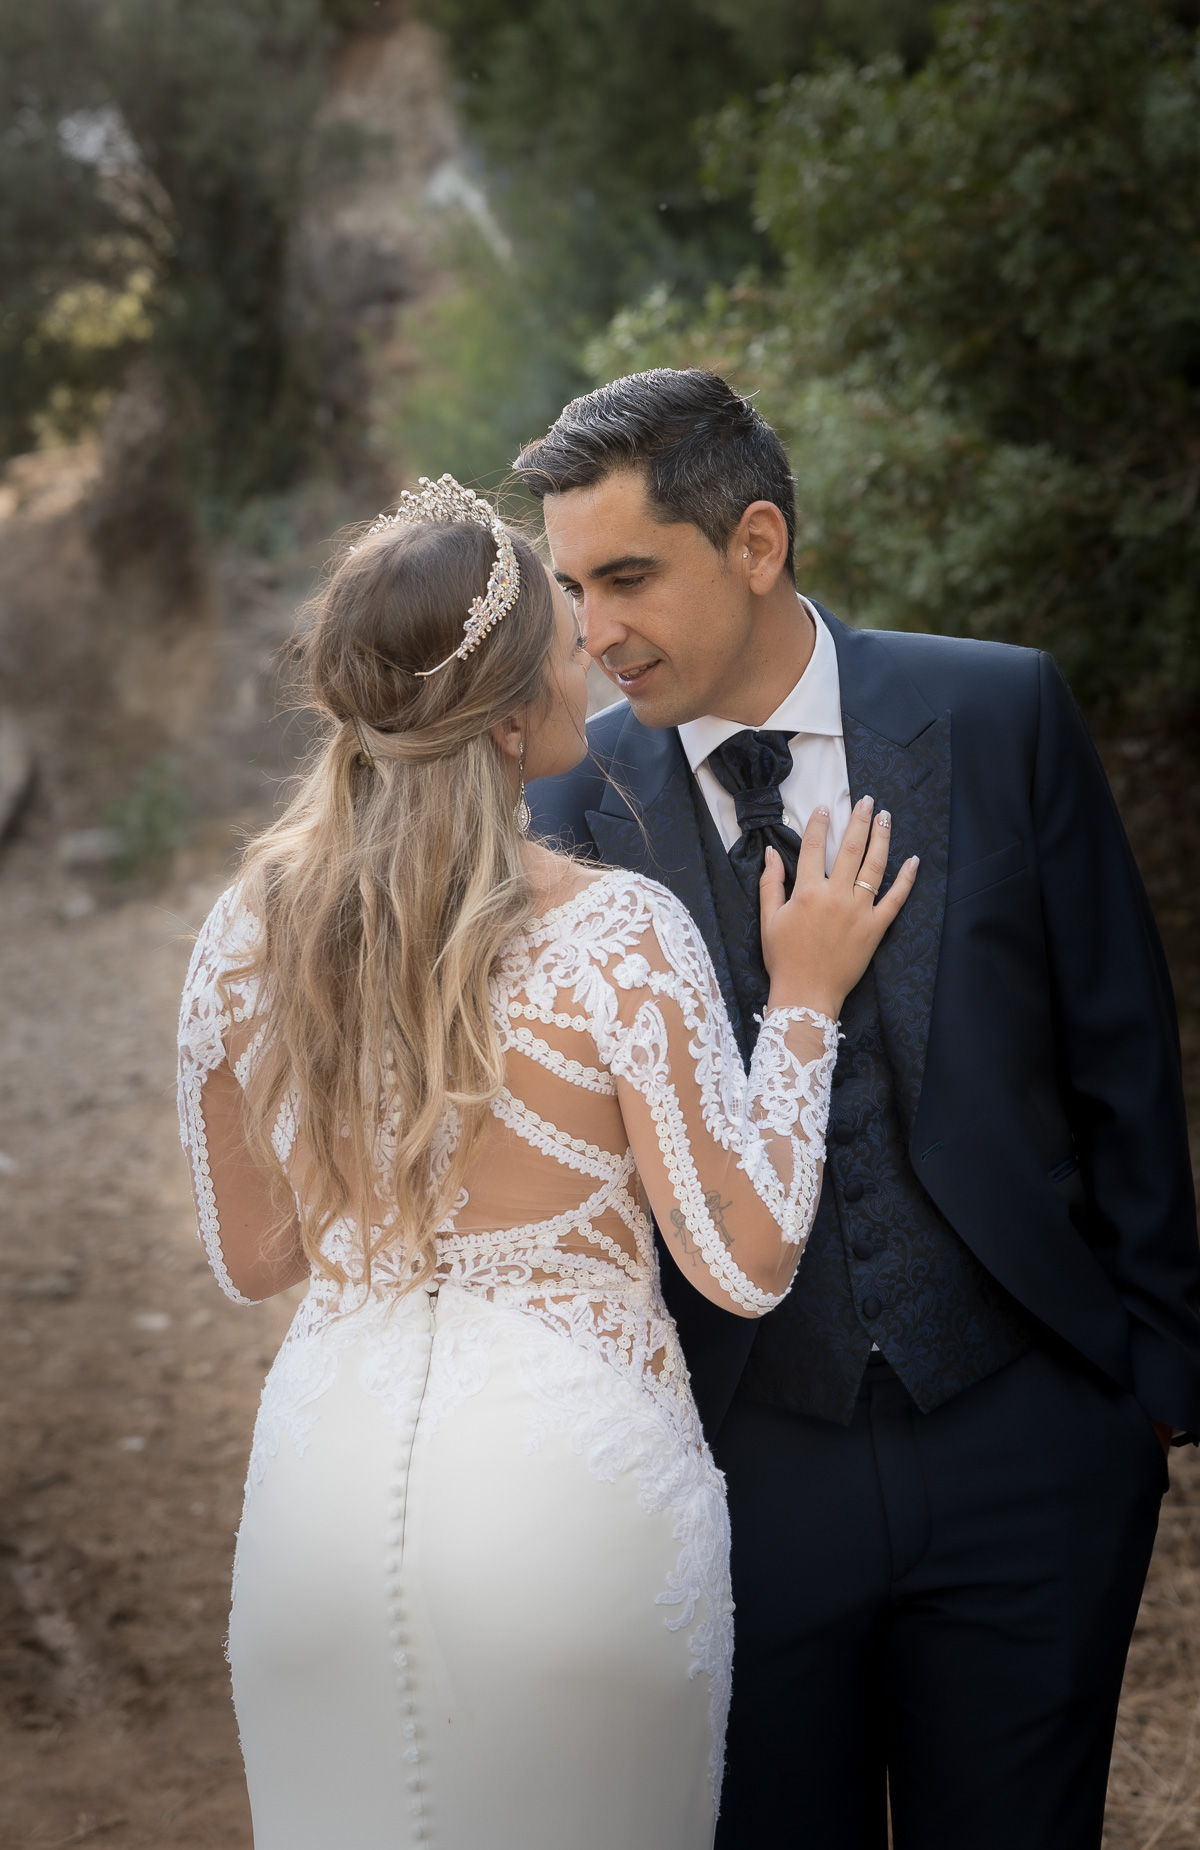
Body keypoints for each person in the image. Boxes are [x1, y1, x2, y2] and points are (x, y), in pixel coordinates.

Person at [176, 472, 916, 1849]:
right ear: (514, 717)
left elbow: (253, 1255)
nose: (595, 642)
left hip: (326, 1491)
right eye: (565, 627)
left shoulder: (244, 936)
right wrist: (803, 998)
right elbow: (743, 1259)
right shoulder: (615, 937)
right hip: (573, 1492)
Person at [517, 368, 1200, 1850]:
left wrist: (1147, 1390)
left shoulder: (998, 707)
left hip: (1034, 1446)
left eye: (627, 576)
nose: (594, 634)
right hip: (739, 1473)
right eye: (572, 588)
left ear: (756, 543)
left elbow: (1123, 1052)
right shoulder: (567, 812)